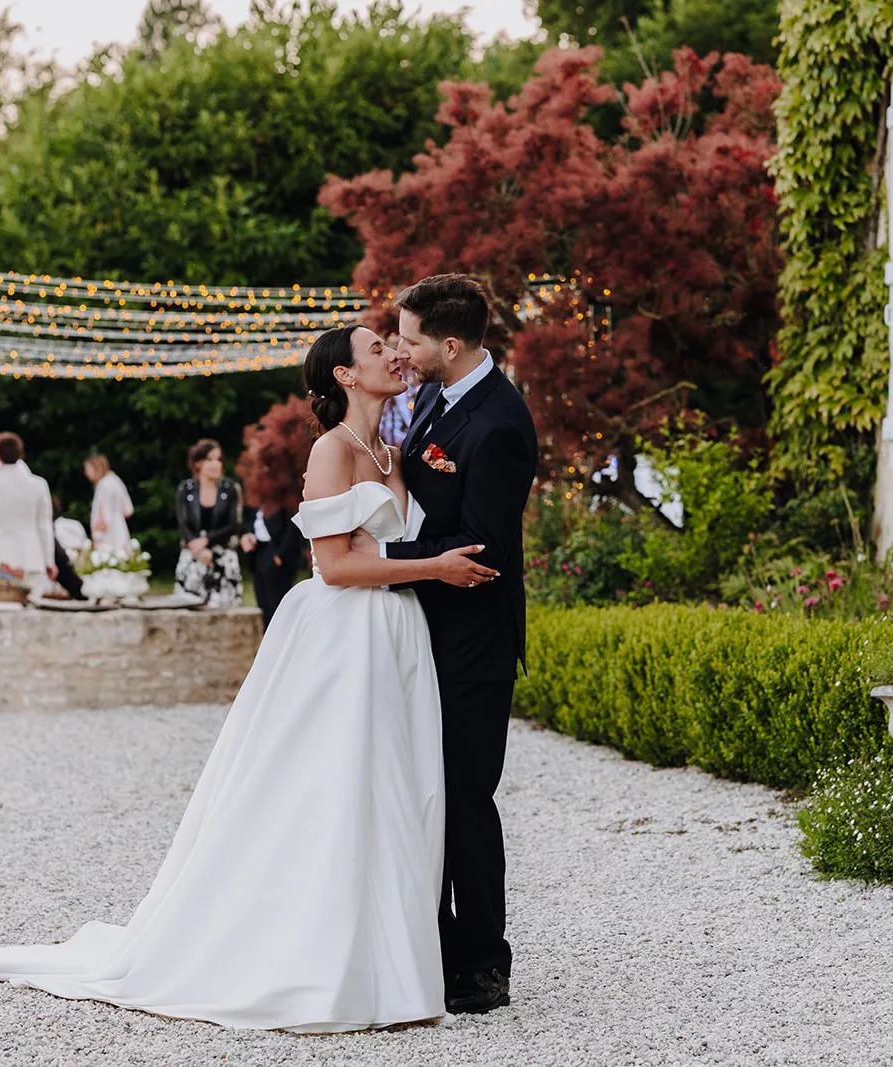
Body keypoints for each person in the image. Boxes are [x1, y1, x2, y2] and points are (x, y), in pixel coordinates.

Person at [0, 323, 497, 1033]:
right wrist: (432, 568)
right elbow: (335, 565)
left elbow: (393, 533)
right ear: (343, 376)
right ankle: (321, 956)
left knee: (393, 789)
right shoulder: (332, 452)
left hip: (394, 634)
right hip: (345, 633)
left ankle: (390, 957)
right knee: (332, 786)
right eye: (376, 349)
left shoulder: (387, 448)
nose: (393, 355)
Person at [357, 274, 537, 1014]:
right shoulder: (434, 396)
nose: (401, 349)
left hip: (474, 643)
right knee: (422, 796)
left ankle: (484, 964)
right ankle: (429, 947)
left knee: (466, 798)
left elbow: (482, 547)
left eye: (410, 338)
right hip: (422, 633)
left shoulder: (499, 422)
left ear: (451, 344)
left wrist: (382, 567)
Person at [0, 433, 57, 591]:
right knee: (33, 605)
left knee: (7, 603)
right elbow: (45, 525)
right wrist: (49, 560)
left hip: (3, 555)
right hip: (33, 555)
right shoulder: (39, 484)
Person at [174, 439, 243, 607]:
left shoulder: (230, 489)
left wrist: (207, 541)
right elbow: (183, 523)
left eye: (218, 460)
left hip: (222, 557)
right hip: (193, 556)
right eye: (210, 459)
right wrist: (197, 549)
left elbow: (234, 524)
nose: (215, 464)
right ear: (198, 463)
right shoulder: (185, 489)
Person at [240, 500, 304, 628]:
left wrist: (281, 554)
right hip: (260, 551)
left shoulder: (282, 503)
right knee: (262, 597)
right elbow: (252, 526)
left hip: (276, 553)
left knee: (277, 598)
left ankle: (281, 632)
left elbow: (292, 529)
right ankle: (266, 631)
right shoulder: (258, 506)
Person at [85, 453, 134, 551]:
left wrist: (97, 536)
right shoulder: (116, 481)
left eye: (88, 469)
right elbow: (129, 510)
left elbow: (100, 516)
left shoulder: (102, 485)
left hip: (107, 534)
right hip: (121, 528)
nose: (86, 473)